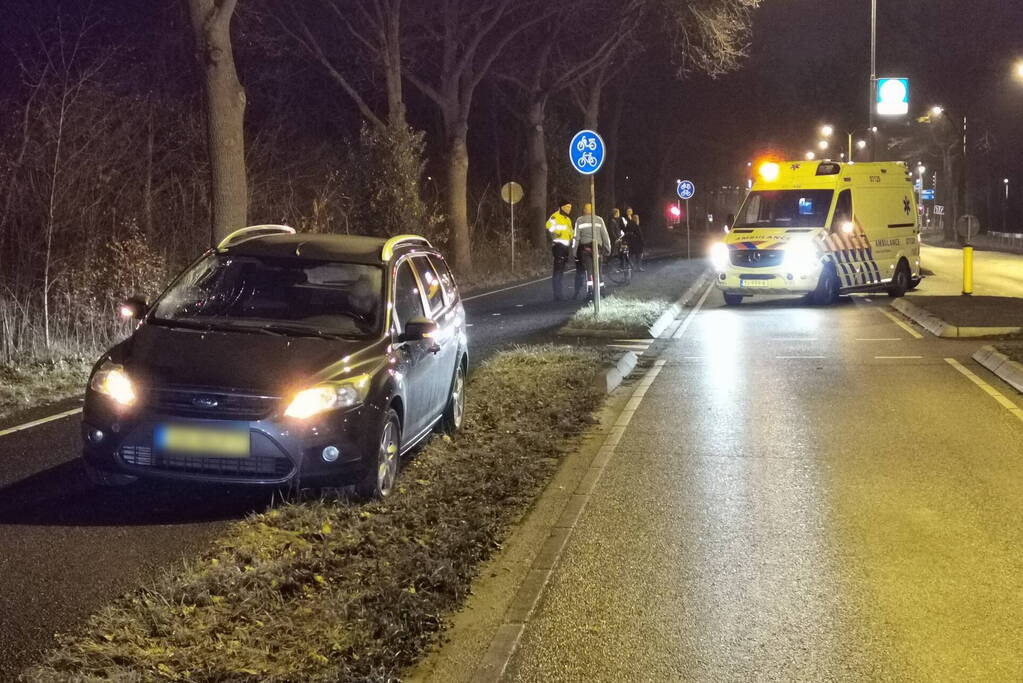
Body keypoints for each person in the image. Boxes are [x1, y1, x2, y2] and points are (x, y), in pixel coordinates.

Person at [572, 202, 612, 300]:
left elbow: (576, 237)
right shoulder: (599, 219)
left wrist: (574, 251)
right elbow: (605, 236)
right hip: (597, 250)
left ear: (584, 210)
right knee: (598, 270)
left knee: (589, 271)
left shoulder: (579, 220)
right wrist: (608, 249)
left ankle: (590, 292)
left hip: (585, 250)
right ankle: (602, 291)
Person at [546, 201, 574, 300]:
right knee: (558, 271)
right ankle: (557, 295)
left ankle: (559, 294)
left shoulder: (567, 219)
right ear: (561, 207)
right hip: (558, 247)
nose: (569, 209)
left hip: (565, 248)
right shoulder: (555, 217)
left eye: (570, 207)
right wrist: (555, 236)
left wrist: (571, 239)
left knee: (561, 271)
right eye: (567, 207)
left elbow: (571, 232)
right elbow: (549, 228)